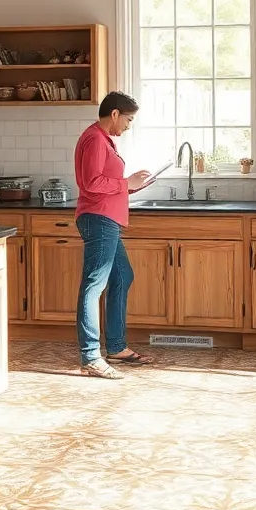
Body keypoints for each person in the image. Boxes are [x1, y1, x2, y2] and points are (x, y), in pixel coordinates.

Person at [74, 91, 155, 379]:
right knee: (93, 286)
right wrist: (125, 182)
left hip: (107, 218)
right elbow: (91, 182)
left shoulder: (104, 140)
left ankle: (117, 347)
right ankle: (90, 357)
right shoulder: (95, 138)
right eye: (129, 119)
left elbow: (105, 182)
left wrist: (131, 186)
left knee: (122, 276)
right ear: (115, 114)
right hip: (98, 218)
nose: (129, 126)